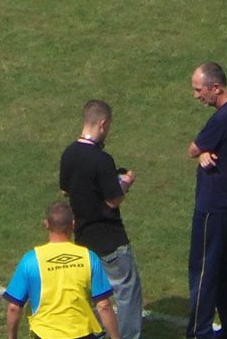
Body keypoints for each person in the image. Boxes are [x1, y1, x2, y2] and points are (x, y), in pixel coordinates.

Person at [60, 100, 141, 339]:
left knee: (93, 292)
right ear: (103, 124)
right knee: (126, 289)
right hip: (109, 237)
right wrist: (125, 182)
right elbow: (114, 199)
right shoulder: (102, 160)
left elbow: (66, 190)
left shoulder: (69, 154)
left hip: (83, 236)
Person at [186, 62, 227, 339]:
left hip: (213, 204)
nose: (196, 95)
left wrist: (202, 151)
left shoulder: (222, 118)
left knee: (203, 269)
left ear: (216, 87)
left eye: (199, 89)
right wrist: (207, 151)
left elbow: (193, 149)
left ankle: (199, 332)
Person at [2, 199, 120, 339]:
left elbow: (14, 308)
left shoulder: (31, 260)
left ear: (46, 224)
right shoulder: (88, 257)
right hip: (82, 333)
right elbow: (104, 305)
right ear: (73, 224)